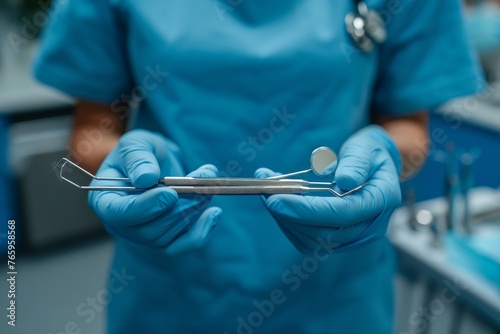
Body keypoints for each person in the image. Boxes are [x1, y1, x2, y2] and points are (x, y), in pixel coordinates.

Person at [34, 0, 482, 333]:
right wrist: (123, 162)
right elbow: (91, 132)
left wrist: (383, 150)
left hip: (337, 295)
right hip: (169, 293)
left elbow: (410, 129)